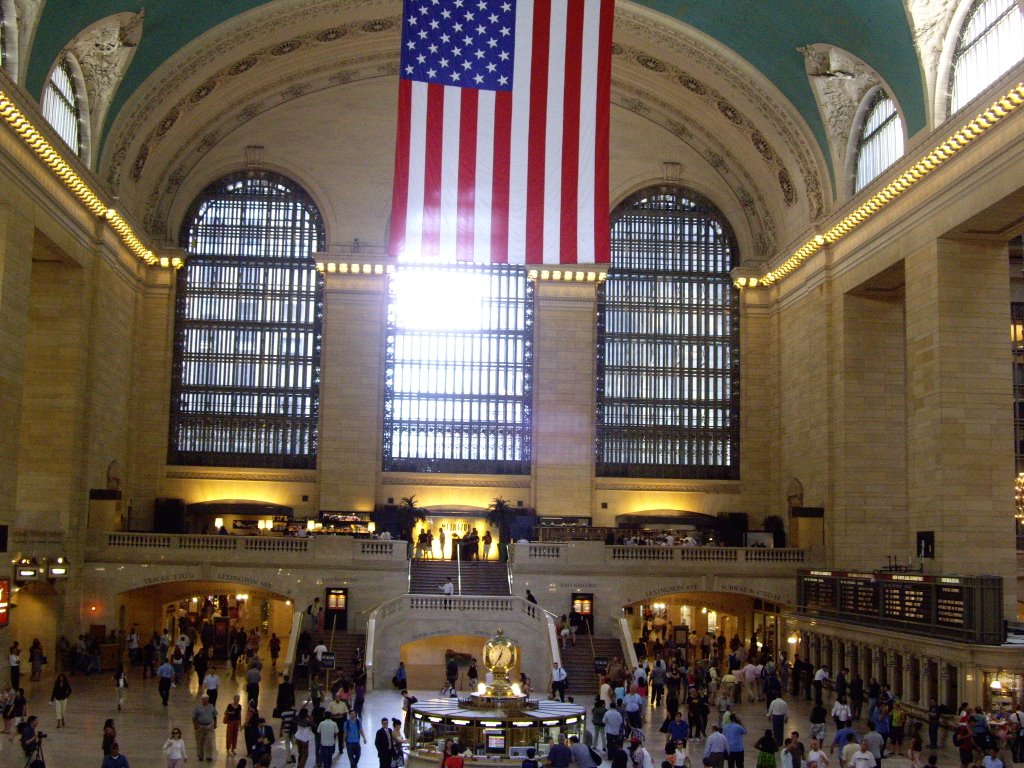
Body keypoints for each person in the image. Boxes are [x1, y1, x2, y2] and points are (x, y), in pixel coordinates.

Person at [192, 692, 218, 761]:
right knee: (199, 741)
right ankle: (200, 755)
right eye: (203, 699)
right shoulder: (197, 707)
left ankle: (209, 756)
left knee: (209, 741)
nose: (205, 701)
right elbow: (193, 717)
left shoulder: (211, 706)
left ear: (208, 700)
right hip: (200, 726)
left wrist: (215, 724)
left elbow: (215, 716)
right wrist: (195, 725)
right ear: (201, 700)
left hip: (209, 726)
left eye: (206, 699)